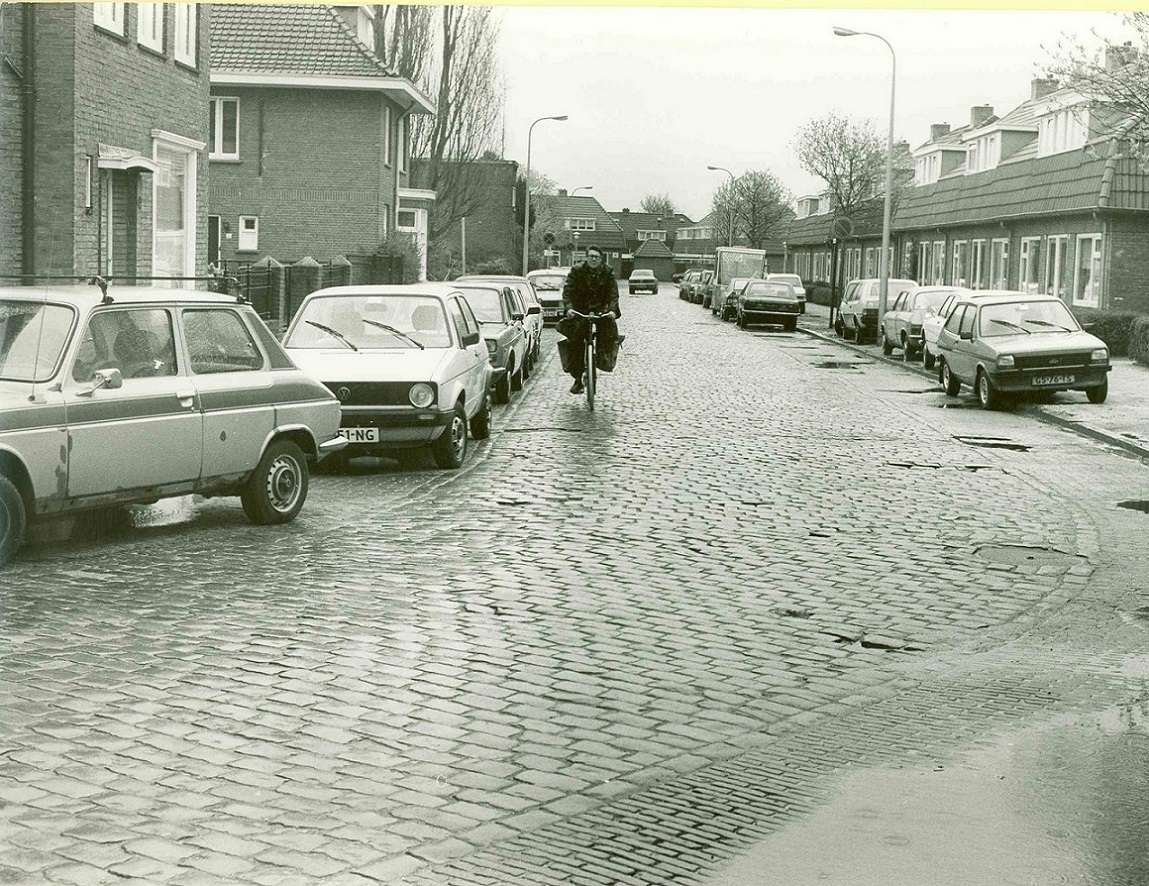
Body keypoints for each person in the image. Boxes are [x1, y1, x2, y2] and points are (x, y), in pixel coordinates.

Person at [557, 246, 621, 394]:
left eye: (596, 257)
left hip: (601, 311)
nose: (593, 259)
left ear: (601, 259)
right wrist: (569, 309)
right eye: (591, 256)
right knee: (575, 342)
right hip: (580, 311)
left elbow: (613, 294)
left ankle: (603, 360)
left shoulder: (607, 272)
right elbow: (568, 292)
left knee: (609, 334)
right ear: (586, 257)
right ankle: (577, 379)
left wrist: (612, 310)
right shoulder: (577, 271)